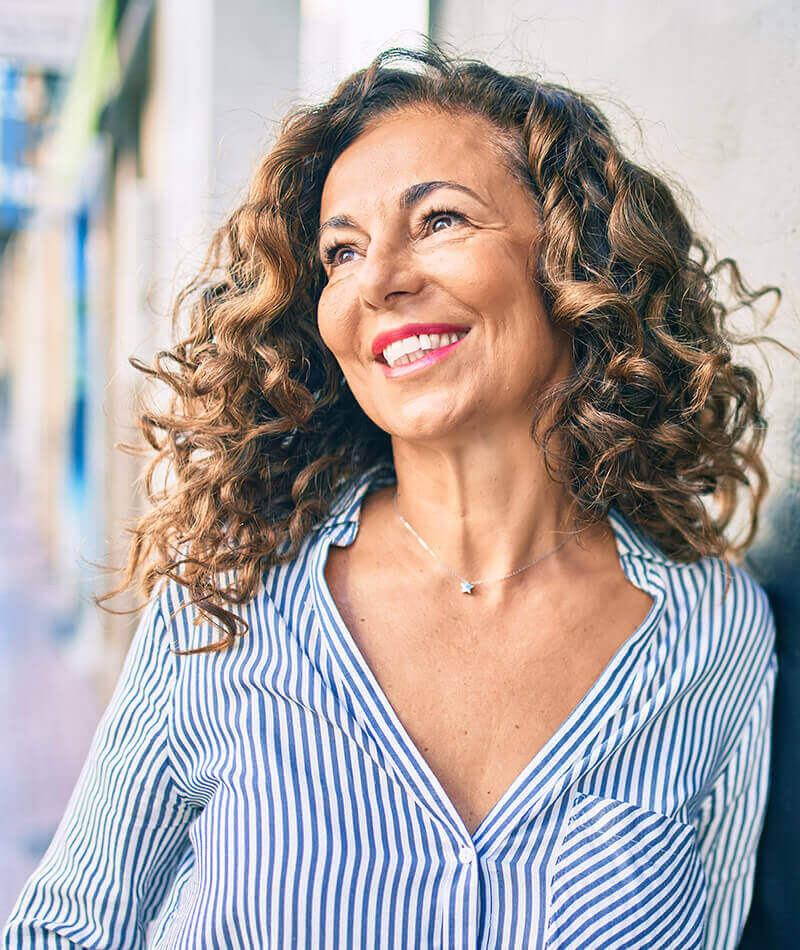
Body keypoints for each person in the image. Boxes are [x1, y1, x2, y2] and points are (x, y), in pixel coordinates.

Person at [2, 45, 783, 949]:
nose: (377, 281)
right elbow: (64, 928)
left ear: (578, 262)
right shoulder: (227, 598)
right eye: (342, 252)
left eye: (440, 219)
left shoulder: (711, 634)